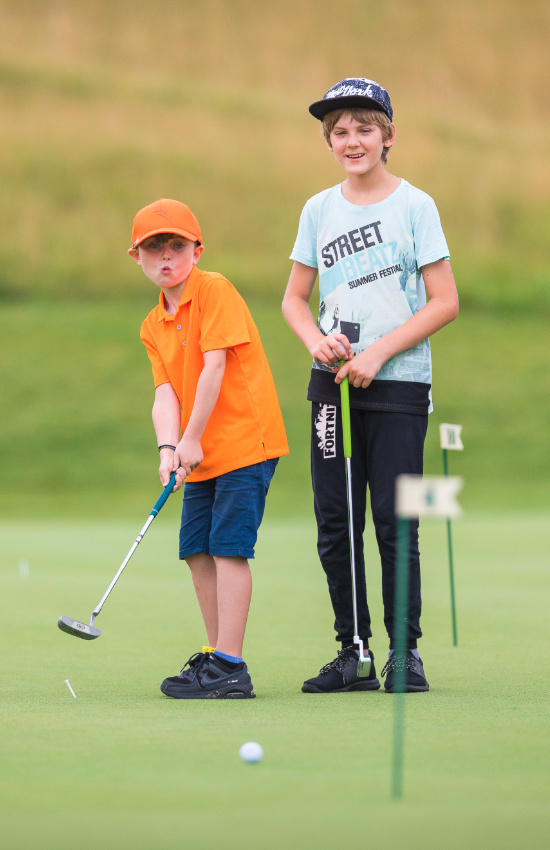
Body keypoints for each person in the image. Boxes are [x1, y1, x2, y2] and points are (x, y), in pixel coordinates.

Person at [282, 78, 459, 693]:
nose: (351, 140)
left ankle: (402, 653)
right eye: (339, 132)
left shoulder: (416, 206)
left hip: (399, 385)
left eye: (363, 128)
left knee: (393, 520)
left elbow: (445, 302)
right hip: (332, 387)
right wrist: (317, 344)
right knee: (336, 520)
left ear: (388, 135)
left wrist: (379, 353)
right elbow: (295, 300)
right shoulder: (318, 209)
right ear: (329, 142)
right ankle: (351, 650)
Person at [129, 198, 288, 699]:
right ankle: (216, 655)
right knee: (196, 550)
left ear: (197, 251)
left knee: (227, 548)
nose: (166, 257)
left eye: (176, 245)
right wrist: (168, 448)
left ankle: (231, 666)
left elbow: (214, 367)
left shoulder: (214, 289)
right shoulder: (153, 325)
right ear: (137, 258)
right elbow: (165, 394)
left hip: (245, 442)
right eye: (154, 249)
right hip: (197, 451)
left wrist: (191, 439)